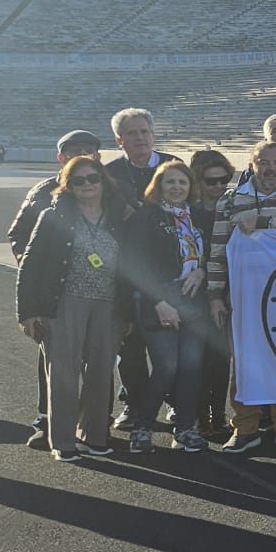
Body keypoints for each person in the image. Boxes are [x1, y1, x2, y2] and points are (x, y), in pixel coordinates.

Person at [207, 141, 276, 454]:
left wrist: (262, 223)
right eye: (264, 162)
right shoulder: (230, 200)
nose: (271, 168)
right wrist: (215, 294)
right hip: (245, 295)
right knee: (245, 363)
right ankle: (245, 428)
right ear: (251, 165)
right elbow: (218, 250)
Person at [17, 156, 124, 461]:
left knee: (101, 372)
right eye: (78, 180)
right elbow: (30, 264)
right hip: (65, 302)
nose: (87, 185)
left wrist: (128, 311)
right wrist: (27, 312)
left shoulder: (117, 217)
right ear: (68, 186)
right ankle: (62, 441)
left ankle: (93, 436)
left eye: (93, 178)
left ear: (103, 181)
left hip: (108, 303)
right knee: (64, 372)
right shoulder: (54, 216)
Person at [7, 129, 104, 448]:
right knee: (55, 361)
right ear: (61, 158)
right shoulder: (44, 191)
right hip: (59, 294)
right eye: (75, 151)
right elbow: (19, 234)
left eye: (89, 150)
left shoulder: (109, 189)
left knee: (100, 362)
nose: (84, 156)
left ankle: (92, 424)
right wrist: (40, 271)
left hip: (102, 294)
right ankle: (47, 420)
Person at [119, 160, 213, 454]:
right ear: (158, 186)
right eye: (170, 182)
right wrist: (157, 302)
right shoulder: (146, 217)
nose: (176, 187)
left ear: (190, 187)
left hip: (195, 300)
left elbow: (214, 253)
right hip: (158, 298)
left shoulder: (199, 217)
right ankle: (143, 428)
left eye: (182, 182)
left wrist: (202, 271)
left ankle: (185, 429)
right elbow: (134, 264)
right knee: (167, 366)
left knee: (191, 367)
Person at [103, 107, 161, 431]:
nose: (140, 138)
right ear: (119, 140)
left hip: (168, 271)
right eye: (131, 133)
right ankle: (135, 404)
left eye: (144, 132)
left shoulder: (173, 166)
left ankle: (173, 401)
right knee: (130, 343)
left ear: (153, 135)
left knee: (169, 344)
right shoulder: (107, 174)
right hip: (124, 272)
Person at [185, 149, 238, 438]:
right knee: (196, 358)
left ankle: (217, 415)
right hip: (193, 292)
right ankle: (196, 415)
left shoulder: (233, 206)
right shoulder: (187, 212)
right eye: (211, 181)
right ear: (198, 180)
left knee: (220, 357)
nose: (219, 186)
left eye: (224, 180)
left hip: (226, 290)